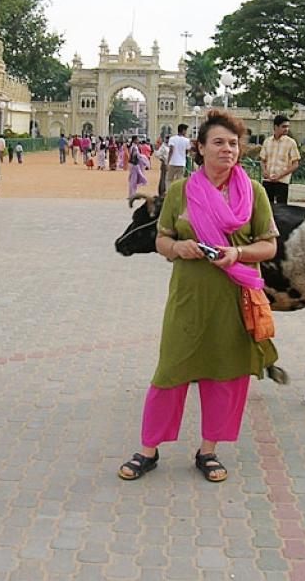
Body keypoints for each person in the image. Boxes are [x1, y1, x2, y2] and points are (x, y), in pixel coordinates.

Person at [118, 109, 280, 483]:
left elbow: (269, 246)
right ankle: (149, 449)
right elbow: (161, 239)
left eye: (234, 144)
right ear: (200, 148)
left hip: (234, 299)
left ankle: (208, 451)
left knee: (225, 374)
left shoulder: (253, 193)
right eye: (219, 143)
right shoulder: (180, 192)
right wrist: (180, 248)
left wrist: (238, 254)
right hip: (189, 299)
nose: (228, 150)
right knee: (171, 370)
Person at [260, 114, 301, 206]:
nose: (286, 129)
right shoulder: (267, 141)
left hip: (282, 181)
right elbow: (262, 160)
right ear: (276, 127)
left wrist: (280, 175)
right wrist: (264, 171)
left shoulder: (291, 143)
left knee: (282, 209)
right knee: (266, 207)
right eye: (284, 126)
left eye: (287, 127)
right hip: (268, 181)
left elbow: (295, 164)